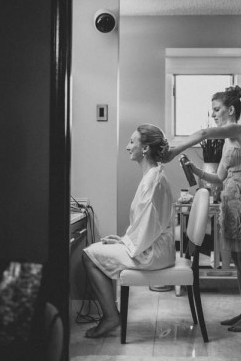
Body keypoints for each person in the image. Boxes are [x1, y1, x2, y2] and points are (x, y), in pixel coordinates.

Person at [163, 85, 241, 332]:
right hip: (231, 203)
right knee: (240, 265)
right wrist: (194, 169)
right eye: (212, 110)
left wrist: (173, 151)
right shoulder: (229, 144)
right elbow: (219, 177)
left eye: (217, 109)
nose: (214, 114)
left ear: (231, 110)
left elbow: (204, 132)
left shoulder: (240, 130)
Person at [82, 124, 176, 338]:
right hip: (152, 245)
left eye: (132, 141)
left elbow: (148, 228)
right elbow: (146, 226)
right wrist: (124, 239)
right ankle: (111, 313)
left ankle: (111, 316)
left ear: (145, 149)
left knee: (88, 255)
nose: (127, 147)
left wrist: (125, 243)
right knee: (98, 249)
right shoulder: (153, 175)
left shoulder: (153, 180)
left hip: (154, 253)